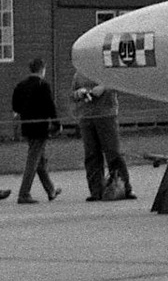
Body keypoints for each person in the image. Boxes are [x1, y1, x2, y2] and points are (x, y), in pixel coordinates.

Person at [73, 69, 134, 201]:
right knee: (91, 155)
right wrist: (78, 93)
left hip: (106, 114)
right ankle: (96, 191)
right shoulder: (79, 73)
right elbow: (73, 94)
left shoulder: (106, 69)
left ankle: (124, 187)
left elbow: (119, 83)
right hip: (86, 116)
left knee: (113, 152)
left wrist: (104, 87)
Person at [11, 58, 60, 203]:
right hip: (40, 127)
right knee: (33, 161)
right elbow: (50, 106)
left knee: (40, 161)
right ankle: (23, 193)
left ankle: (50, 190)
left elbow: (16, 106)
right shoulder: (42, 85)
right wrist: (56, 123)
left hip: (27, 126)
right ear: (42, 69)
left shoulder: (21, 85)